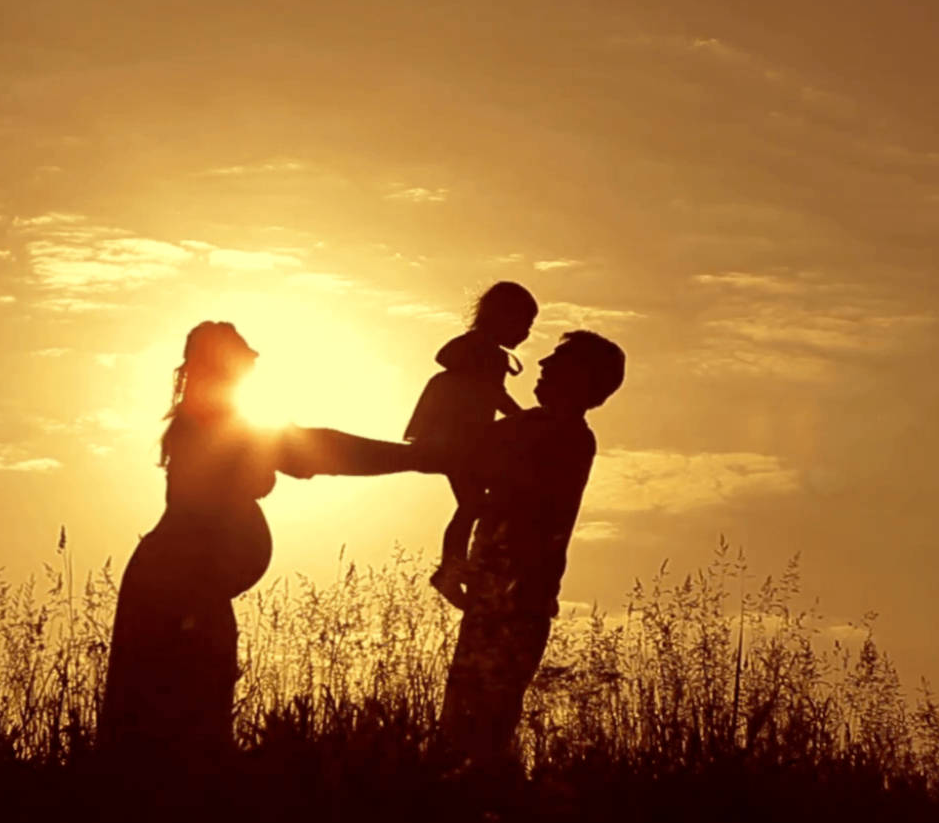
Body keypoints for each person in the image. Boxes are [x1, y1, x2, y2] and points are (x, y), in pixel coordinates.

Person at [99, 320, 441, 772]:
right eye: (243, 358)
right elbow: (318, 448)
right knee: (183, 703)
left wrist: (414, 459)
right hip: (181, 586)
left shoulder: (218, 421)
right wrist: (416, 457)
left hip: (188, 583)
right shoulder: (216, 424)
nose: (254, 365)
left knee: (189, 702)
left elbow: (308, 446)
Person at [433, 330, 625, 781]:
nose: (542, 365)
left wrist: (479, 377)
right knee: (477, 718)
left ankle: (475, 809)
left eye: (557, 361)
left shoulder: (555, 432)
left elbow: (464, 453)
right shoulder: (554, 430)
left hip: (514, 595)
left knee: (476, 723)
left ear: (581, 378)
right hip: (508, 593)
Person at [404, 281, 539, 604]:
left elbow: (488, 391)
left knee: (475, 503)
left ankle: (455, 567)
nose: (526, 333)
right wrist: (522, 419)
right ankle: (451, 569)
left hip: (459, 437)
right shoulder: (483, 353)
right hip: (457, 440)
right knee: (474, 503)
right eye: (524, 324)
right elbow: (493, 394)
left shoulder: (483, 352)